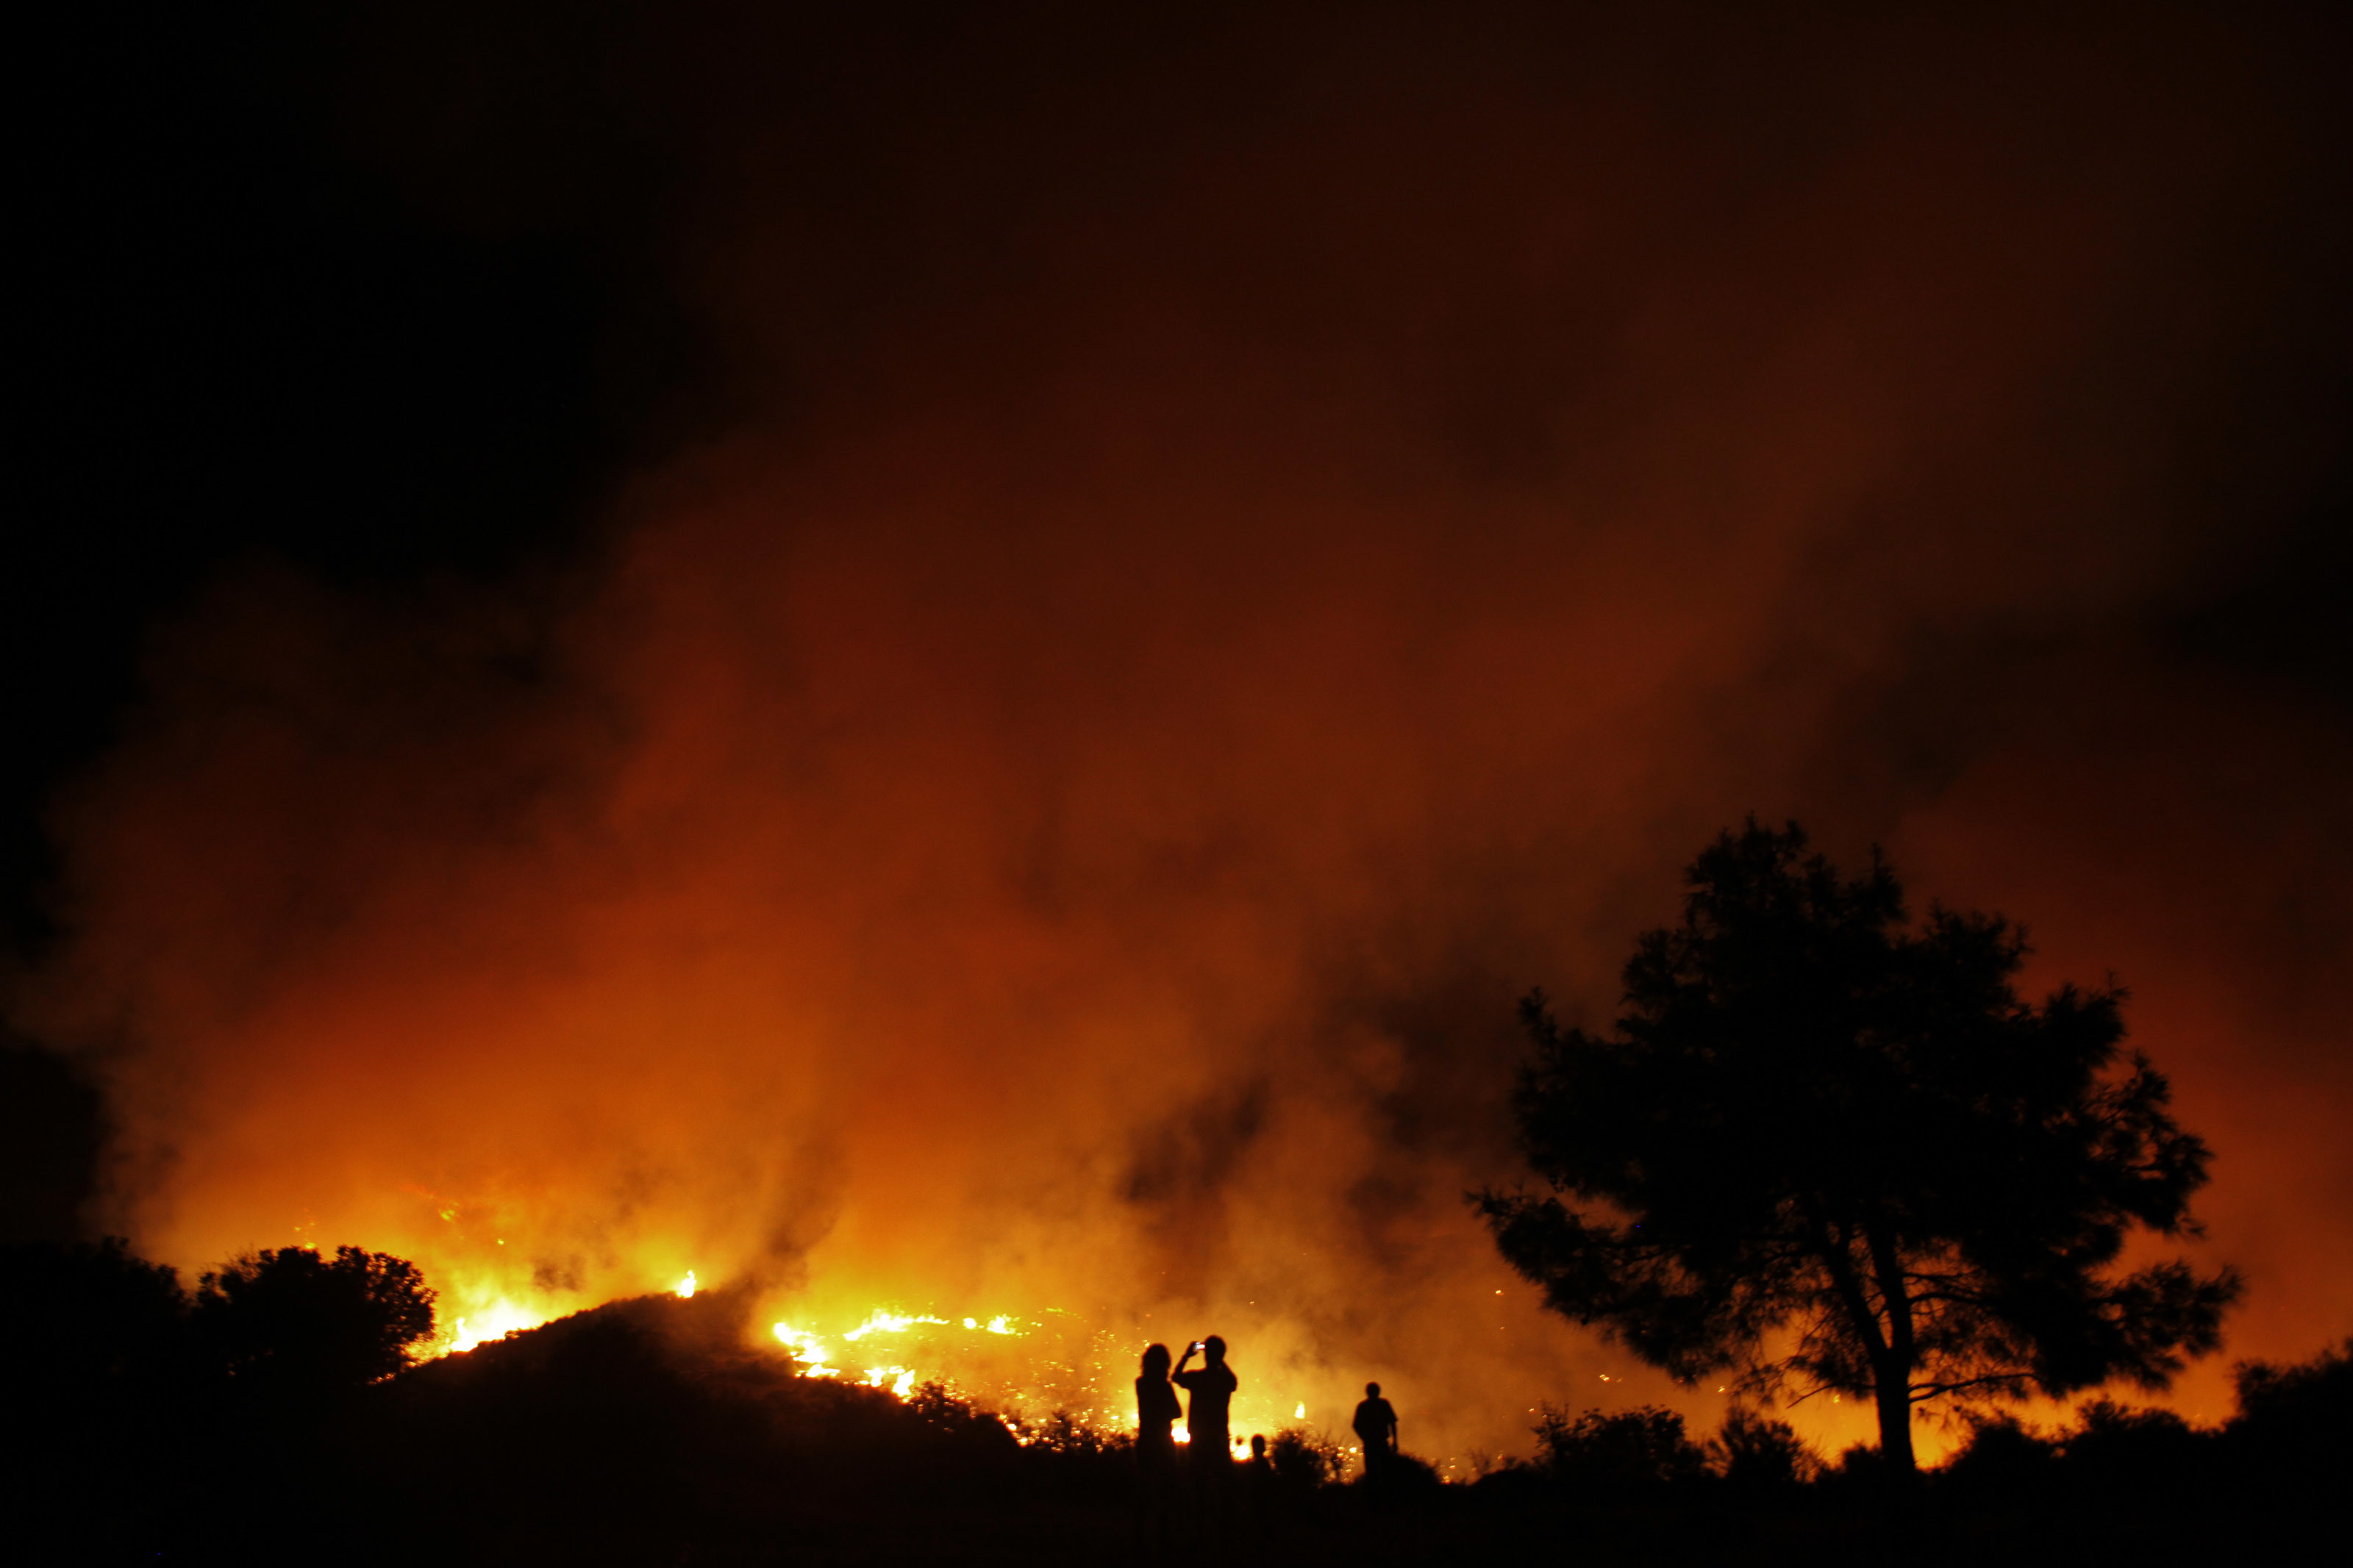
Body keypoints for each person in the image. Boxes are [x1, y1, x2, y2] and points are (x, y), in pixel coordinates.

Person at [1173, 1336, 1239, 1526]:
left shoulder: (1198, 1378)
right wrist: (1219, 1360)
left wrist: (1187, 1356)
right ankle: (1224, 1526)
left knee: (1199, 1485)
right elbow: (1234, 1381)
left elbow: (1176, 1376)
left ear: (1205, 1355)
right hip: (1218, 1439)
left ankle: (1200, 1524)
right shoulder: (1225, 1380)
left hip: (1199, 1440)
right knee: (1223, 1484)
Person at [1134, 1343, 1182, 1537]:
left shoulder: (1141, 1383)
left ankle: (1140, 1535)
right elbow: (1177, 1412)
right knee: (1166, 1490)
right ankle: (1165, 1536)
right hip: (1163, 1443)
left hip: (1145, 1440)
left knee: (1144, 1489)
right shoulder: (1164, 1386)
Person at [1352, 1381, 1399, 1478]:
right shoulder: (1384, 1404)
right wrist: (1395, 1441)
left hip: (1371, 1444)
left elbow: (1356, 1426)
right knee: (1385, 1471)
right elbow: (1392, 1423)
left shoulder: (1363, 1406)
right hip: (1381, 1443)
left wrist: (1364, 1437)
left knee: (1372, 1472)